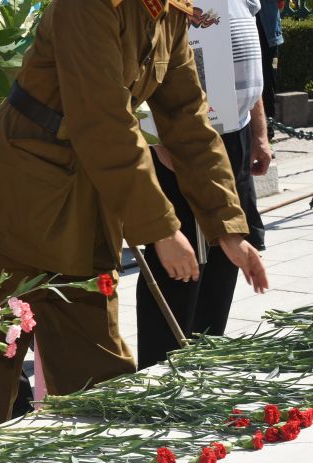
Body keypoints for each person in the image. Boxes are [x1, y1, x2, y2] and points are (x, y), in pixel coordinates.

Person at [0, 0, 269, 446]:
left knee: (99, 380)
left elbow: (188, 117)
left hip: (85, 210)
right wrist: (163, 230)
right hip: (16, 203)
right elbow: (102, 119)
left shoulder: (167, 12)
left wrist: (229, 229)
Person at [136, 0, 271, 369]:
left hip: (233, 135)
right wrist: (156, 138)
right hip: (177, 141)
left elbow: (246, 55)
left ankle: (206, 362)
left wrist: (259, 132)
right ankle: (162, 370)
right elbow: (141, 66)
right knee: (179, 261)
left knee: (230, 250)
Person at [257, 0, 284, 140]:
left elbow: (280, 4)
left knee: (268, 85)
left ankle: (268, 134)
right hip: (248, 35)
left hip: (269, 37)